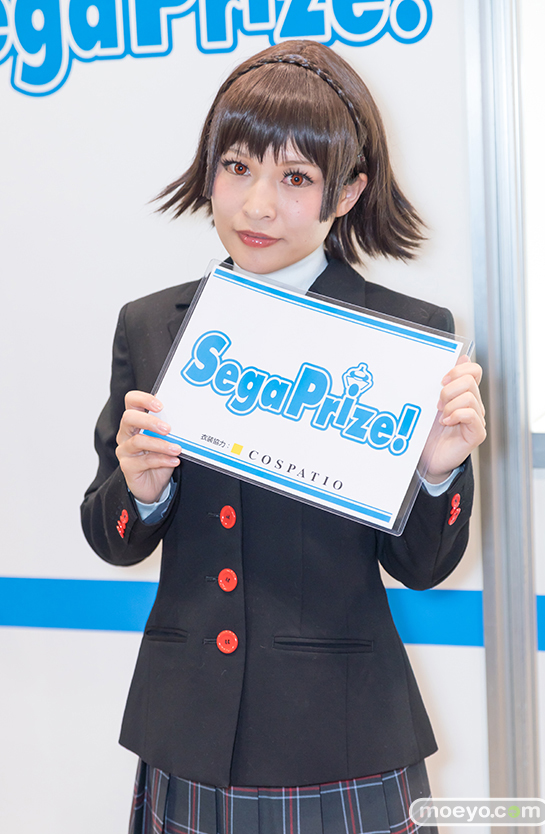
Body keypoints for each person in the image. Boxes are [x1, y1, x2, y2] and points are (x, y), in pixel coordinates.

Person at [81, 39, 486, 834]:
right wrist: (141, 490)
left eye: (296, 178)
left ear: (348, 191)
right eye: (237, 167)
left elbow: (423, 567)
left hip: (346, 735)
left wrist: (435, 474)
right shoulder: (152, 325)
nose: (257, 206)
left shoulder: (405, 340)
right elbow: (112, 537)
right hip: (188, 730)